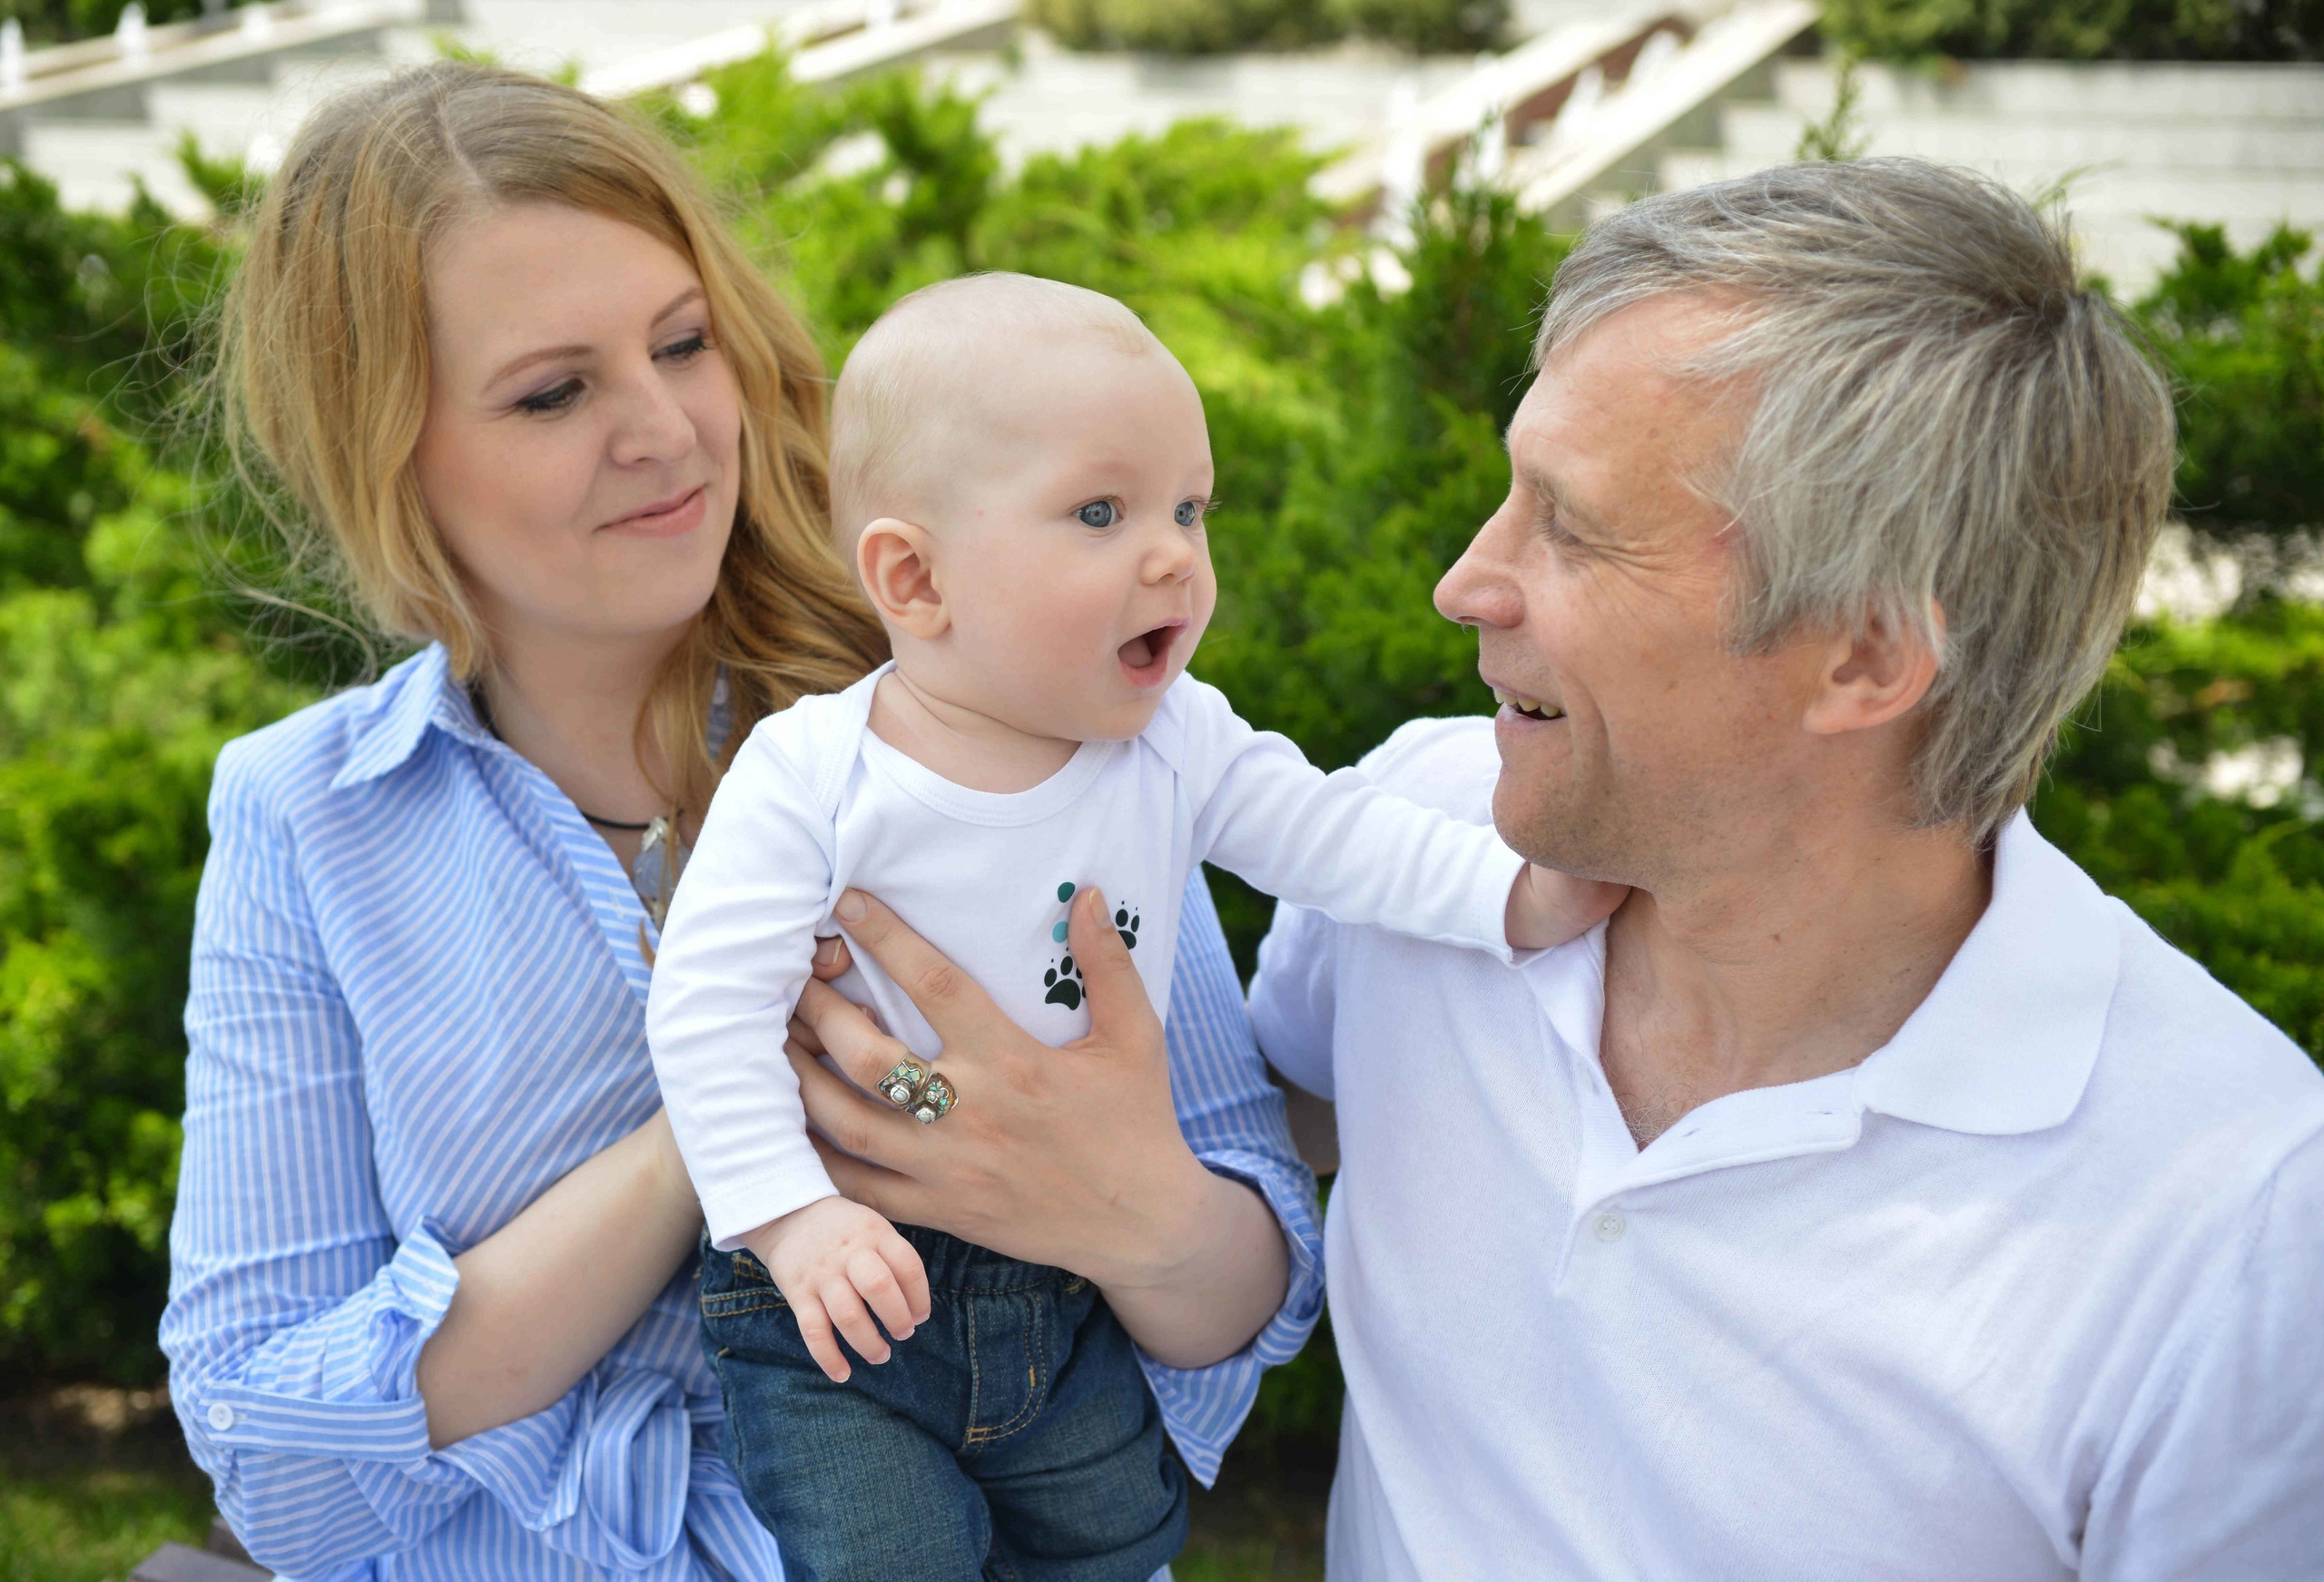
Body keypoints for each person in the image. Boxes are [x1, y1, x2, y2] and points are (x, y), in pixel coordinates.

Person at [162, 64, 1323, 1578]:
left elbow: (1252, 1296)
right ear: (381, 451)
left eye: (682, 343)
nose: (667, 430)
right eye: (555, 392)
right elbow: (274, 1467)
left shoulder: (989, 689)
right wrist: (715, 1132)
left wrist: (1122, 1203)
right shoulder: (307, 815)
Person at [1247, 159, 2324, 1579]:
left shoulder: (2244, 1227)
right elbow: (1248, 1139)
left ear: (1866, 656)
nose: (1466, 584)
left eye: (1571, 526)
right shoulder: (1417, 838)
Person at [644, 273, 1617, 1579]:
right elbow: (708, 1006)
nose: (1173, 556)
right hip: (844, 1279)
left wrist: (1513, 895)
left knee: (1116, 1537)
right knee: (886, 1555)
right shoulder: (814, 773)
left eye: (1189, 509)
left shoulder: (1173, 740)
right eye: (1101, 513)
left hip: (1063, 1272)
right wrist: (785, 1218)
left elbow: (1334, 836)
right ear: (915, 578)